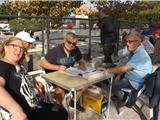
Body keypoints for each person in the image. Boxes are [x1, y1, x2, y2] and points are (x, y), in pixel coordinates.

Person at [0, 37, 68, 120]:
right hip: (27, 113)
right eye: (14, 46)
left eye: (21, 48)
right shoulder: (2, 66)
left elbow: (26, 82)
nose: (18, 50)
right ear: (6, 47)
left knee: (62, 111)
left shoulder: (18, 65)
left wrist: (38, 90)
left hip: (38, 105)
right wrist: (15, 110)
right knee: (61, 114)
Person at [98, 29, 152, 102]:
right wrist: (119, 74)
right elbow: (126, 65)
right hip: (132, 78)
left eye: (130, 41)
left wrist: (107, 70)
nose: (127, 43)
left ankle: (125, 99)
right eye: (126, 41)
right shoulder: (134, 50)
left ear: (138, 42)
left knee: (111, 84)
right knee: (110, 79)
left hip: (135, 83)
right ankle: (114, 94)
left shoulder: (140, 54)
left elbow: (125, 68)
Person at [40, 32, 86, 111]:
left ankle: (73, 102)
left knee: (85, 83)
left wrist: (81, 64)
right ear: (65, 40)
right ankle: (56, 107)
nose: (71, 45)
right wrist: (57, 67)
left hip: (69, 74)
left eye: (74, 44)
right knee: (61, 88)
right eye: (69, 42)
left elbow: (81, 60)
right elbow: (42, 63)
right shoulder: (55, 51)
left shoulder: (76, 50)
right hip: (54, 75)